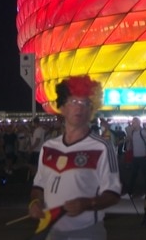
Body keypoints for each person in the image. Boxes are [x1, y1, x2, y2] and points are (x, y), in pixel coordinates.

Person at [28, 75, 121, 240]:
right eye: (74, 102)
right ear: (62, 107)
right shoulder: (49, 147)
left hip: (87, 231)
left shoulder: (102, 147)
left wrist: (87, 203)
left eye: (85, 103)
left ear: (91, 110)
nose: (80, 108)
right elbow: (39, 186)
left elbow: (113, 193)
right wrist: (35, 203)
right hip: (53, 231)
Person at [125, 116, 146, 197]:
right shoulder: (133, 132)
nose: (132, 124)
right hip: (135, 157)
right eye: (132, 122)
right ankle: (130, 192)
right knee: (133, 175)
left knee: (145, 175)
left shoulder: (142, 132)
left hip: (143, 157)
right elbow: (130, 139)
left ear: (138, 123)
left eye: (134, 122)